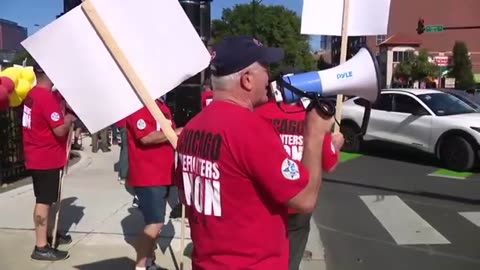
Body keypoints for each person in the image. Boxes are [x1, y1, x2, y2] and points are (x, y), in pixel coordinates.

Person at [175, 36, 334, 269]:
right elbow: (304, 198)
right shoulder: (250, 129)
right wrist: (314, 135)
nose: (269, 77)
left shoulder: (190, 129)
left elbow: (185, 197)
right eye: (266, 69)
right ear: (247, 80)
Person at [254, 95, 344, 270]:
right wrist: (335, 145)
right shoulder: (314, 118)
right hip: (299, 203)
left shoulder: (258, 113)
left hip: (267, 202)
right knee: (291, 259)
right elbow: (329, 164)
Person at [22, 62, 76, 261]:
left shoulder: (33, 94)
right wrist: (69, 118)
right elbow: (59, 130)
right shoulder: (45, 98)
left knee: (49, 198)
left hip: (39, 153)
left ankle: (50, 234)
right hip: (45, 157)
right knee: (44, 201)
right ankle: (41, 246)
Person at [125, 98, 182, 270]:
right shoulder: (139, 105)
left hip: (163, 174)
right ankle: (141, 266)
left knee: (156, 221)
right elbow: (146, 137)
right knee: (155, 223)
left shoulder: (161, 105)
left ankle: (149, 262)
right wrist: (174, 133)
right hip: (148, 175)